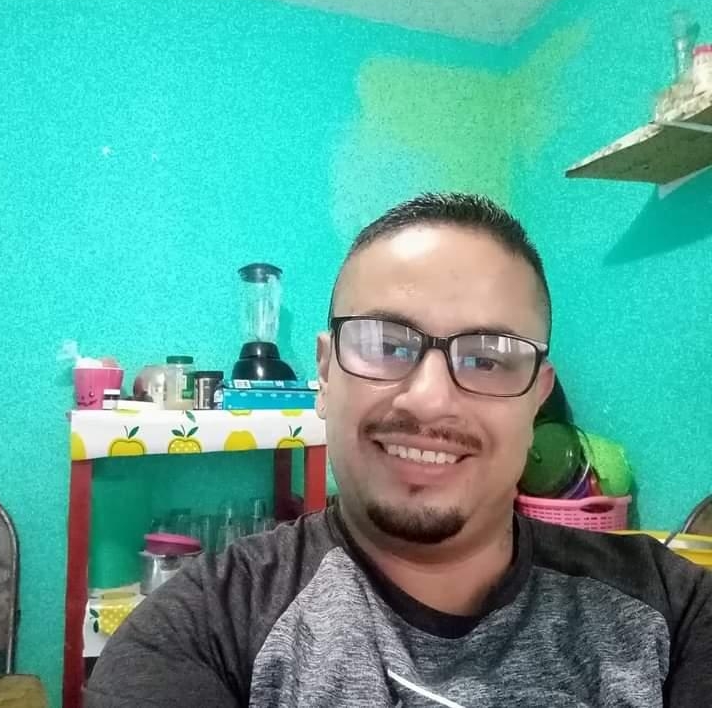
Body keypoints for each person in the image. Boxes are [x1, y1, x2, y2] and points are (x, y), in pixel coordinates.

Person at [86, 193, 712, 707]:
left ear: (536, 399)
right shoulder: (199, 633)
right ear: (325, 375)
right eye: (386, 345)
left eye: (488, 357)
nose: (430, 400)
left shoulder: (677, 613)